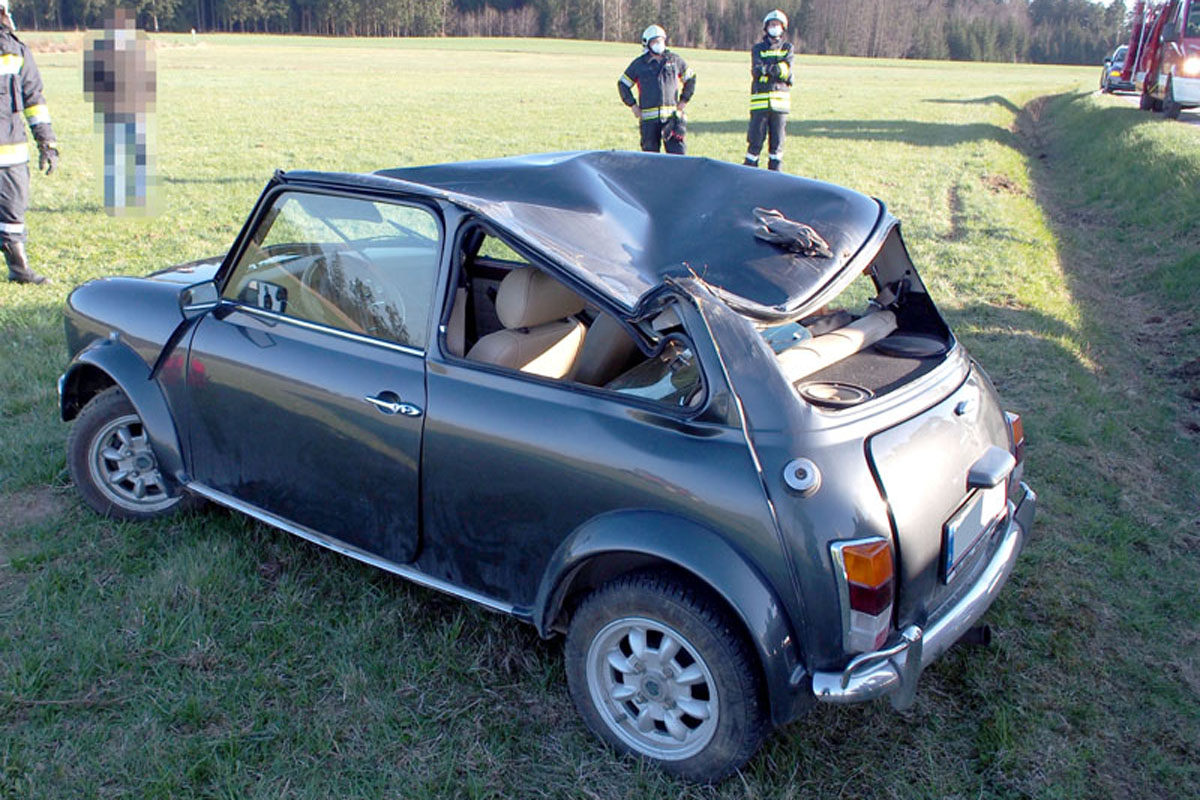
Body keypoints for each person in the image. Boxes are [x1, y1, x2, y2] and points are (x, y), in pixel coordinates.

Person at [0, 0, 56, 284]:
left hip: (10, 150)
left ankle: (19, 268)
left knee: (14, 207)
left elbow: (33, 98)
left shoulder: (14, 49)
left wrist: (47, 142)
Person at [84, 7, 157, 215]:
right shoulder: (105, 52)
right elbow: (95, 83)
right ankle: (117, 201)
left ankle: (137, 197)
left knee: (135, 157)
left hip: (133, 110)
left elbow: (146, 79)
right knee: (117, 158)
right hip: (116, 112)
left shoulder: (135, 49)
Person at [618, 25, 696, 155]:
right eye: (655, 41)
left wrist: (684, 100)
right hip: (649, 122)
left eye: (661, 41)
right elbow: (623, 84)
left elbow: (691, 78)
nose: (659, 44)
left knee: (679, 159)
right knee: (650, 160)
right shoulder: (639, 65)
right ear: (647, 44)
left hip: (672, 120)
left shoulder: (674, 60)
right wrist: (633, 105)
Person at [743, 10, 793, 172]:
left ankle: (775, 178)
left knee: (776, 147)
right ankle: (749, 176)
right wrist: (775, 70)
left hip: (780, 107)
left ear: (783, 28)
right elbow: (756, 71)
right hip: (760, 105)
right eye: (772, 25)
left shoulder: (787, 48)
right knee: (754, 145)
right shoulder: (758, 48)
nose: (775, 28)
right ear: (766, 27)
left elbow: (786, 71)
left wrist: (767, 71)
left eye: (777, 25)